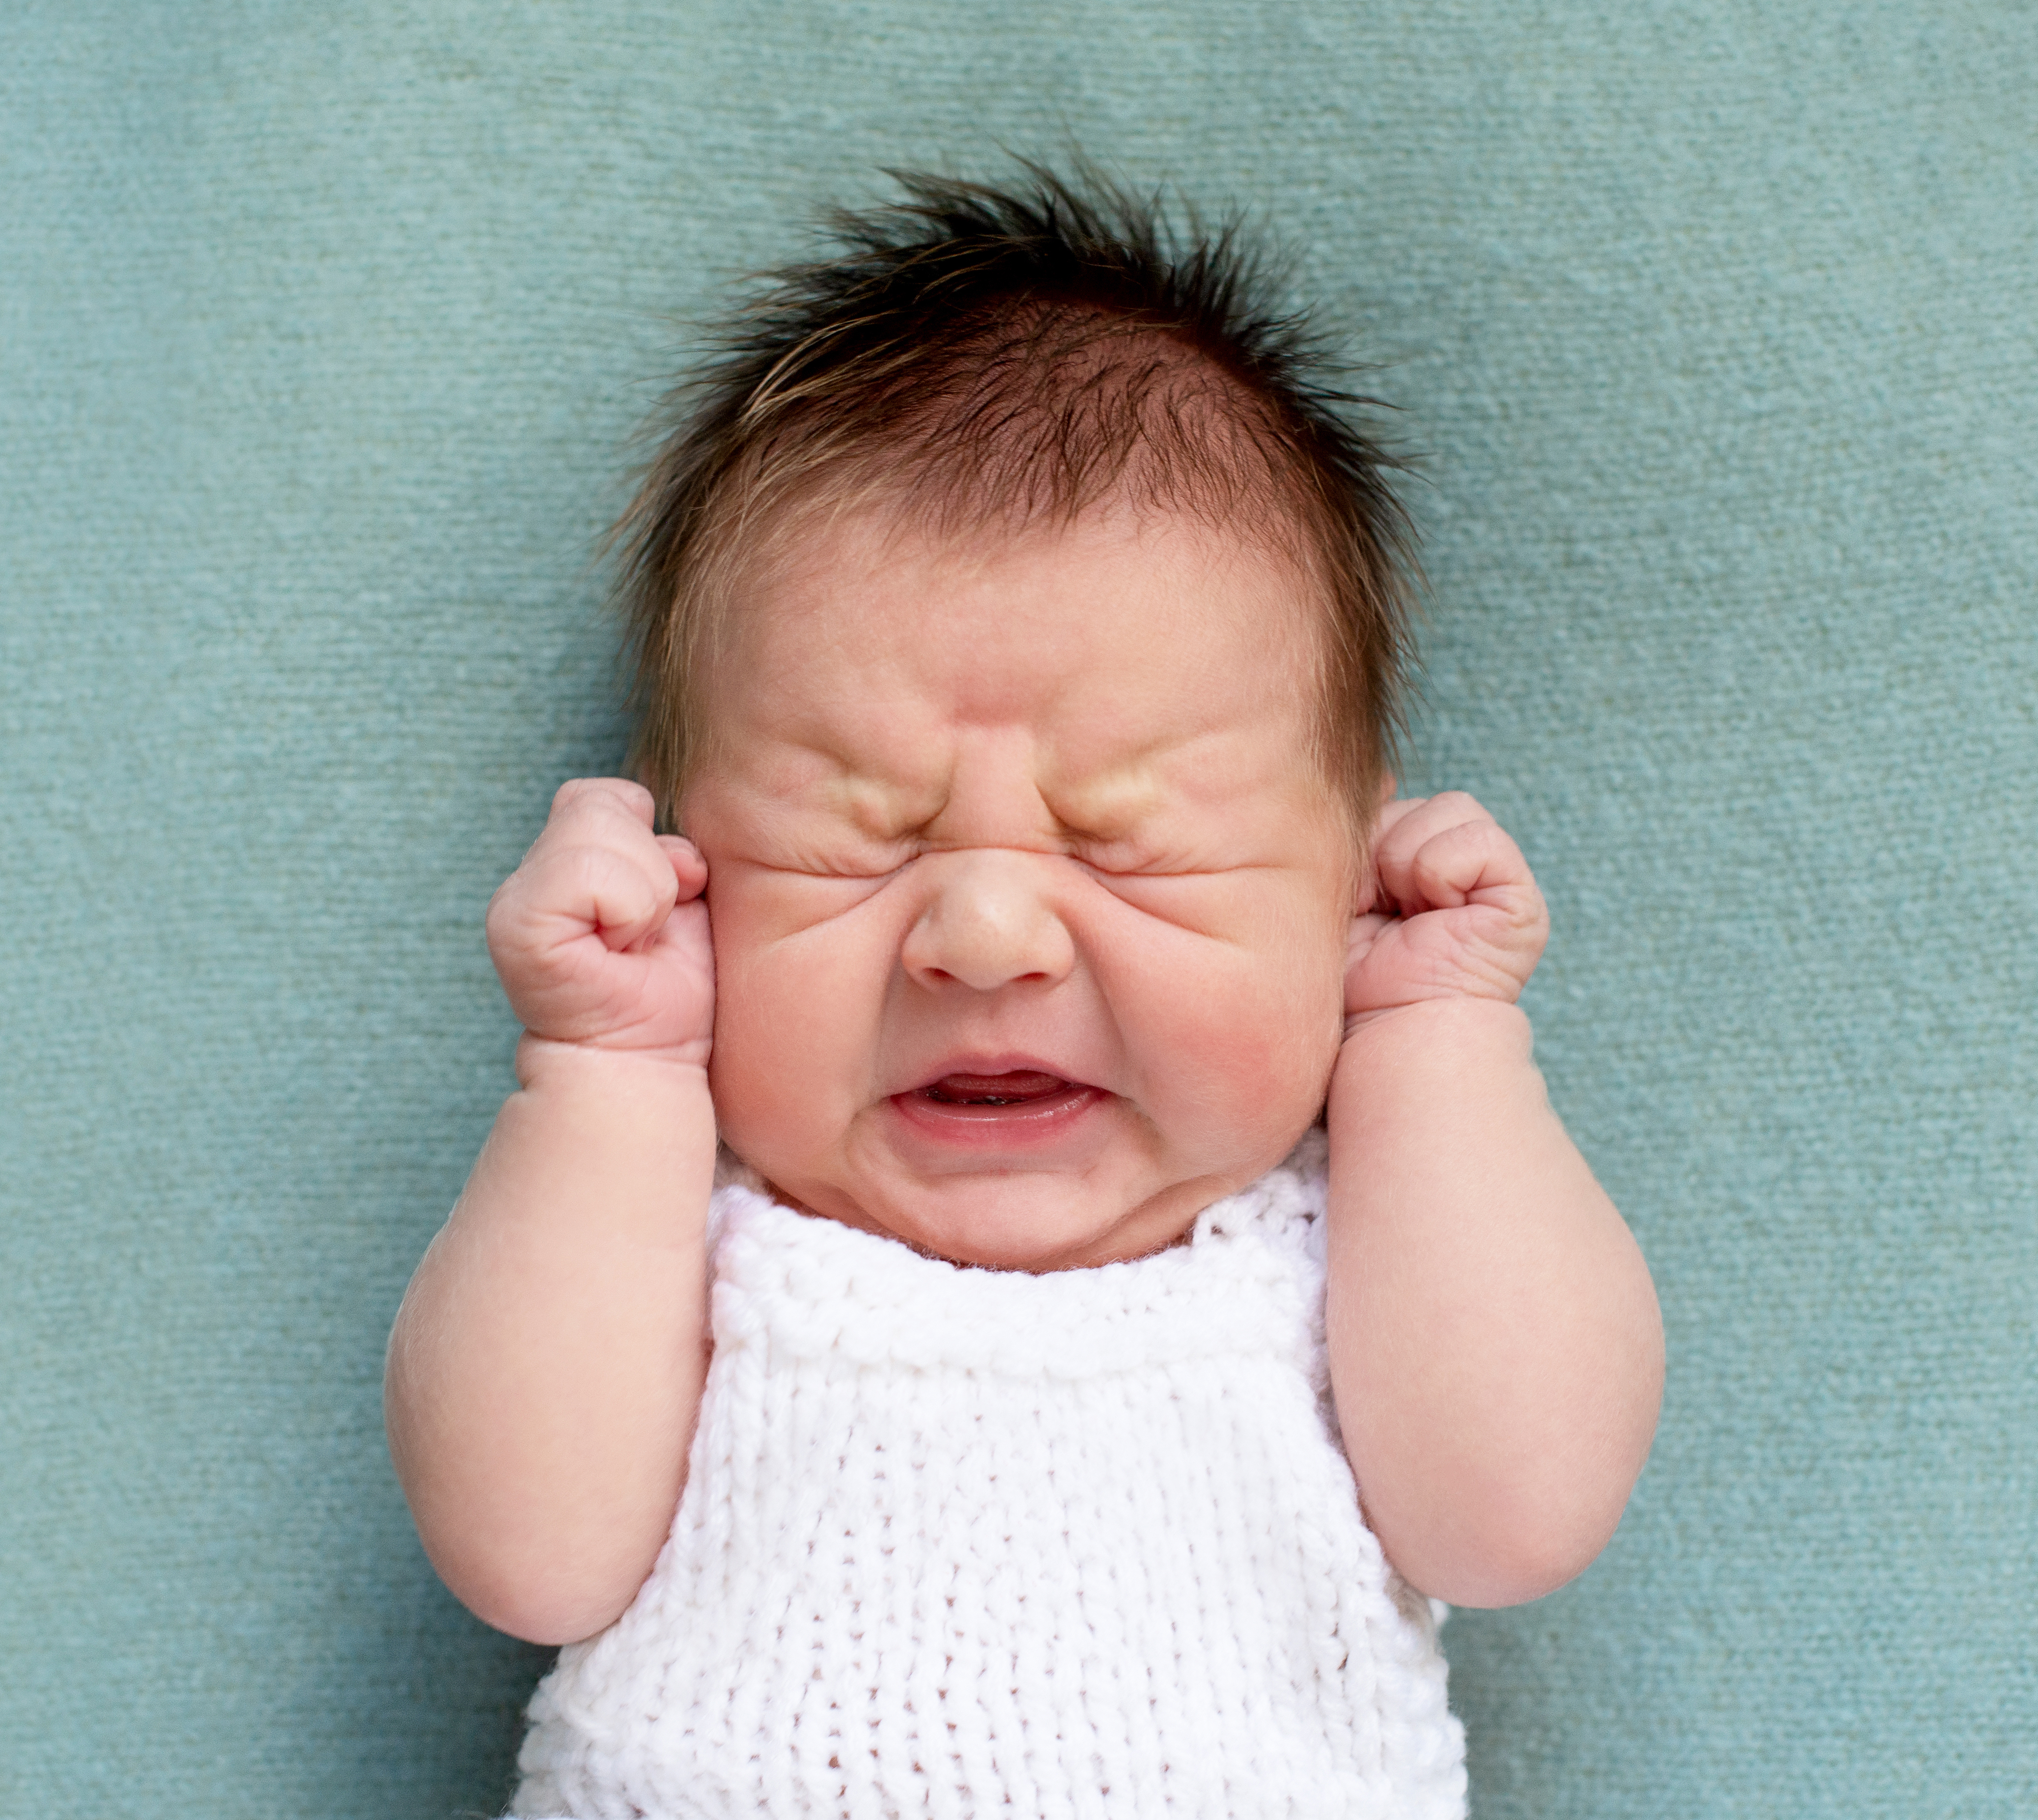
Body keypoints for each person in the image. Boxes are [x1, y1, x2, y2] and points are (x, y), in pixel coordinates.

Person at [385, 164, 1663, 1820]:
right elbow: (525, 1552)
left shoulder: (1352, 1259)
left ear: (1352, 881)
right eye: (853, 845)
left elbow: (1516, 1513)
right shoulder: (682, 1242)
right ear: (684, 868)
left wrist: (1436, 1035)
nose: (985, 934)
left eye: (1129, 849)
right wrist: (606, 1070)